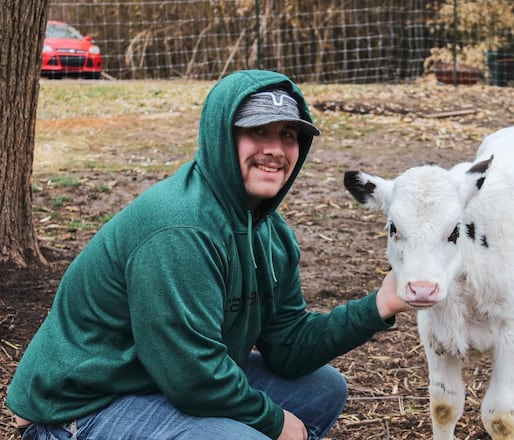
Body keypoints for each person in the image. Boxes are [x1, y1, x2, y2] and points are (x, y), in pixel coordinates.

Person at [7, 70, 410, 440]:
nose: (275, 149)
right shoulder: (179, 229)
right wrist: (275, 422)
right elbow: (192, 375)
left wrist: (378, 305)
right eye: (257, 132)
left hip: (156, 380)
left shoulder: (268, 231)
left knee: (322, 389)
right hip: (80, 407)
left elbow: (288, 346)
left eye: (288, 135)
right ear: (223, 136)